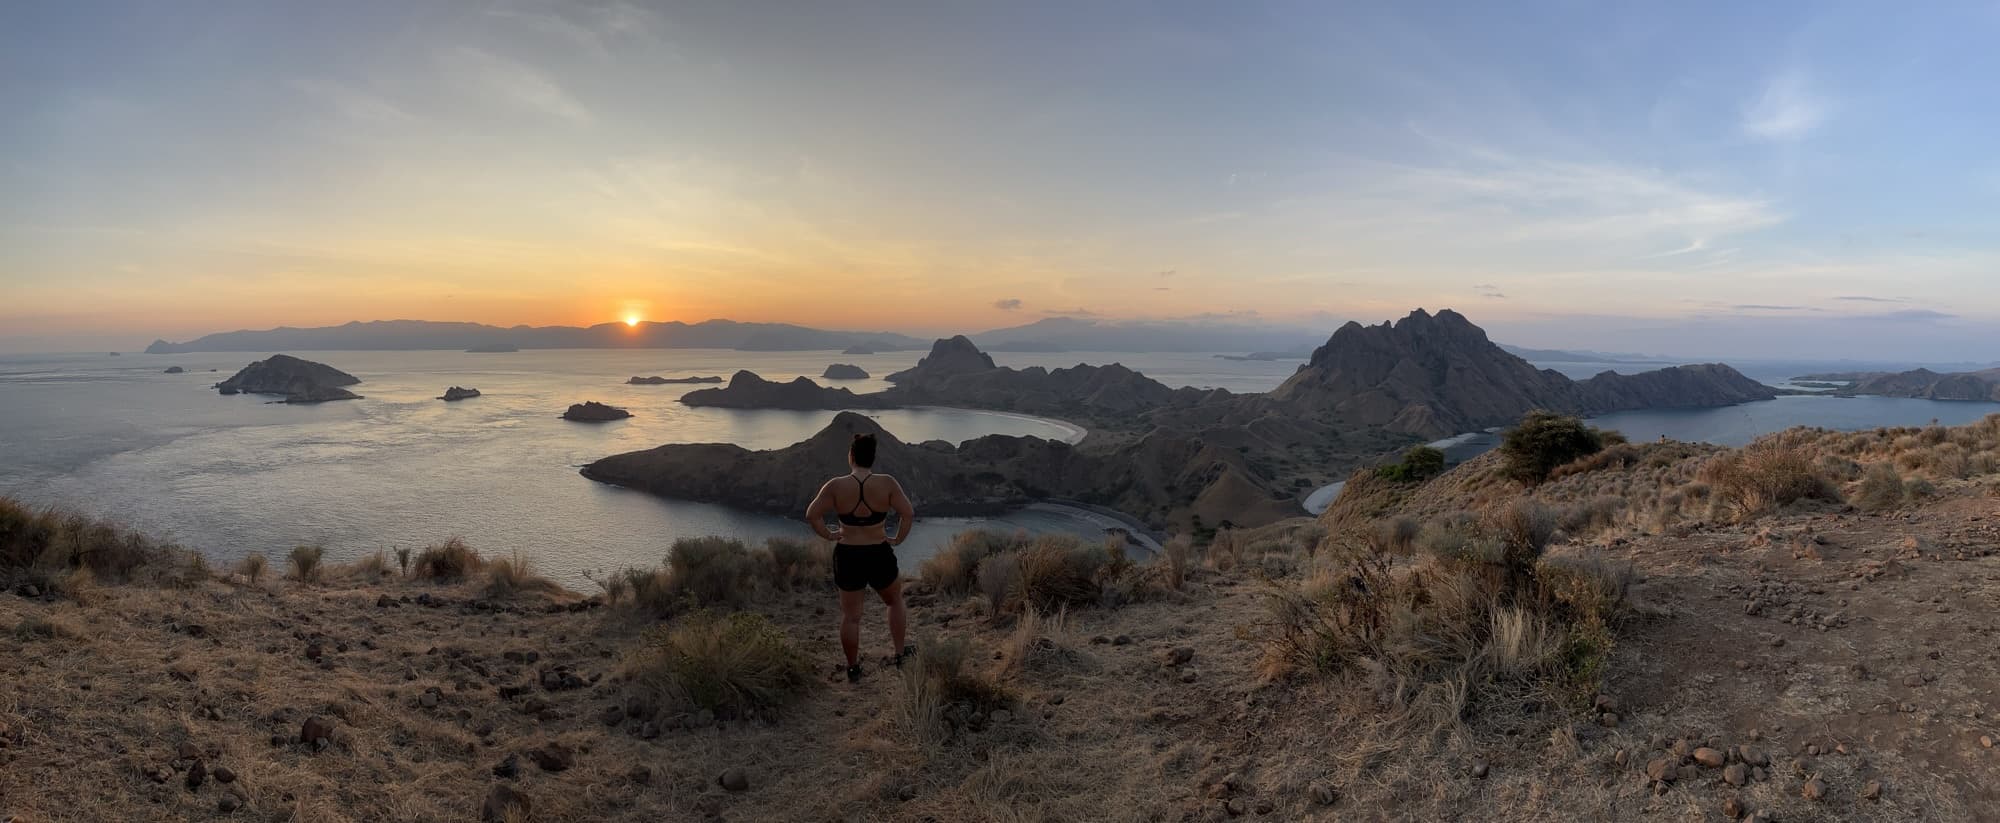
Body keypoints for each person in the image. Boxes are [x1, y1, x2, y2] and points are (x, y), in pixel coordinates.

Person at [805, 433, 916, 683]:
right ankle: (900, 655)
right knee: (895, 602)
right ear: (872, 458)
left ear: (851, 456)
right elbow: (908, 513)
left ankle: (853, 668)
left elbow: (812, 515)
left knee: (851, 617)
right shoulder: (887, 483)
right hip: (878, 552)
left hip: (848, 555)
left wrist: (830, 534)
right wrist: (897, 539)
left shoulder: (836, 485)